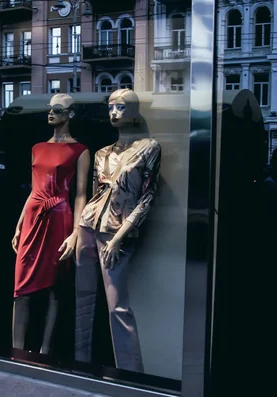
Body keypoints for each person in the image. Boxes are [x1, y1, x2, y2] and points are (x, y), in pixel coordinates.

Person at [75, 88, 161, 372]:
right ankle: (81, 364)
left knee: (118, 307)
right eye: (111, 107)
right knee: (83, 299)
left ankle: (131, 376)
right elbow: (93, 195)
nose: (114, 113)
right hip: (88, 226)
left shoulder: (149, 148)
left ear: (134, 112)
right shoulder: (101, 154)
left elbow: (147, 198)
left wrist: (120, 237)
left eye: (121, 107)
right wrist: (77, 230)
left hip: (116, 233)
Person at [11, 93, 90, 354]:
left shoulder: (79, 151)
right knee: (21, 288)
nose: (52, 112)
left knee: (54, 289)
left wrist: (77, 231)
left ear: (70, 115)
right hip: (34, 217)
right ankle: (17, 350)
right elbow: (34, 190)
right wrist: (19, 223)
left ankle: (46, 350)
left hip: (59, 219)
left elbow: (80, 194)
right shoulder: (37, 148)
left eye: (58, 109)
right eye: (50, 108)